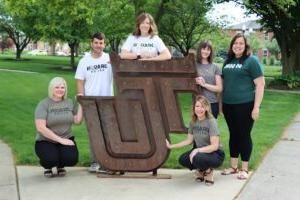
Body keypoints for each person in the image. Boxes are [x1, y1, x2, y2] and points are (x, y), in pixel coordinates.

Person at [221, 33, 265, 180]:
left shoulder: (251, 61)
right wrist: (221, 104)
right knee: (233, 134)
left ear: (245, 46)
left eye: (241, 43)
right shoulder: (228, 61)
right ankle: (233, 167)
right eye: (235, 43)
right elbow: (224, 84)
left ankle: (244, 169)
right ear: (232, 45)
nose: (237, 45)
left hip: (245, 104)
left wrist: (256, 107)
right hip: (228, 104)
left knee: (244, 135)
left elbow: (260, 84)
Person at [75, 32, 113, 173]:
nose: (98, 45)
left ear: (105, 44)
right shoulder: (84, 61)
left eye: (101, 43)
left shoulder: (109, 59)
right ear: (91, 43)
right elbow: (79, 82)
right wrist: (82, 101)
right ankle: (95, 162)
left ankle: (108, 162)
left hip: (107, 102)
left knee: (108, 133)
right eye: (96, 42)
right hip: (90, 102)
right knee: (94, 133)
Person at [166, 95, 225, 185]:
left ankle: (208, 171)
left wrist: (197, 150)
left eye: (202, 106)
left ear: (207, 108)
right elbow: (189, 140)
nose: (199, 109)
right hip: (201, 153)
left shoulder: (211, 121)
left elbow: (214, 146)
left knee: (196, 157)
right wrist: (171, 146)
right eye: (197, 106)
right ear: (194, 108)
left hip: (215, 154)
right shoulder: (193, 122)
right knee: (183, 159)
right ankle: (201, 170)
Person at [35, 77, 83, 177]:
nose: (60, 89)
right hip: (46, 140)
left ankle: (60, 166)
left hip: (66, 138)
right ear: (51, 88)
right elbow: (41, 128)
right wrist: (61, 140)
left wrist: (81, 103)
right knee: (50, 159)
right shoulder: (44, 104)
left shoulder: (69, 102)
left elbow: (77, 121)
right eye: (57, 87)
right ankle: (48, 167)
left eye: (63, 87)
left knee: (72, 159)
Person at [195, 41, 222, 118]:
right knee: (198, 129)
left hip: (212, 104)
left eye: (208, 49)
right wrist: (195, 80)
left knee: (212, 129)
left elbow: (219, 88)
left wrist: (204, 84)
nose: (205, 51)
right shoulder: (193, 66)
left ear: (210, 52)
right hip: (198, 104)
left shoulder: (215, 67)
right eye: (203, 49)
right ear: (200, 49)